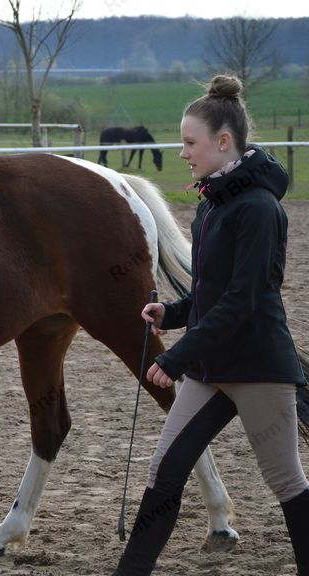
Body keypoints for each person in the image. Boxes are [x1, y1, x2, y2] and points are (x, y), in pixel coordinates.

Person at [114, 75, 308, 575]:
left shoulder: (259, 209)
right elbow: (211, 293)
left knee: (286, 481)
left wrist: (176, 355)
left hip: (259, 368)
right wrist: (173, 313)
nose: (182, 153)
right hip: (210, 367)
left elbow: (243, 300)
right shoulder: (210, 205)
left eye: (189, 142)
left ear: (223, 142)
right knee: (165, 473)